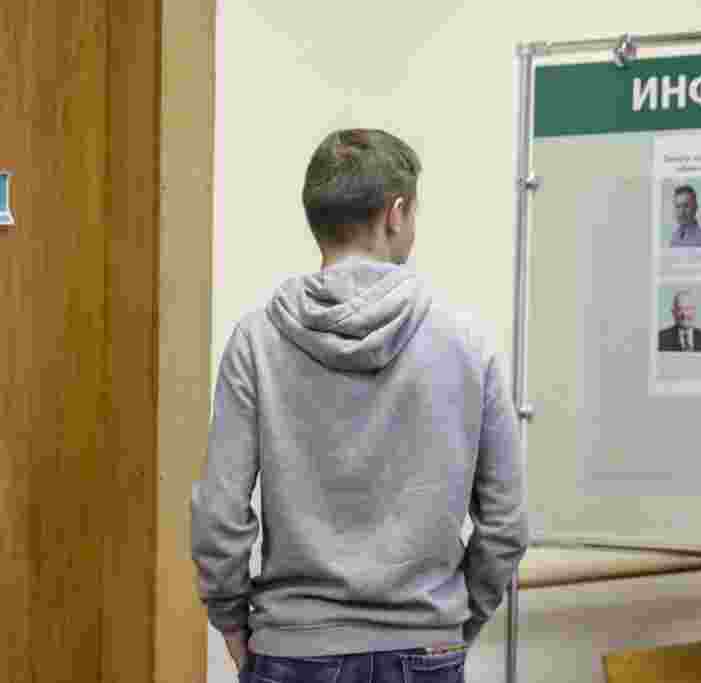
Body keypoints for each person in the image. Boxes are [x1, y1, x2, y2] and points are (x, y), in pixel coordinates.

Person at [191, 129, 529, 683]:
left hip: (292, 647)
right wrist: (454, 623)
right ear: (396, 214)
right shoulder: (468, 343)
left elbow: (219, 514)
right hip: (425, 646)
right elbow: (506, 523)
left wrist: (231, 620)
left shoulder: (256, 340)